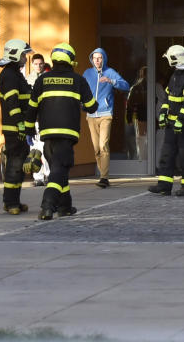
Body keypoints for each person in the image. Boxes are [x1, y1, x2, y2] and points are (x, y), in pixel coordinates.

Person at [27, 43, 97, 220]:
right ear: (70, 60)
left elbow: (31, 107)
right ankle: (47, 205)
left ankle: (65, 206)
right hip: (67, 134)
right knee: (58, 170)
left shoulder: (42, 80)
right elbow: (91, 106)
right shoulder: (78, 80)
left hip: (47, 135)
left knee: (60, 169)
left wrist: (28, 128)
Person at [148, 45, 184, 197]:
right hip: (172, 124)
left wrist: (181, 119)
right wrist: (163, 112)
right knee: (167, 155)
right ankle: (164, 185)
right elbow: (167, 97)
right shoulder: (175, 75)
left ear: (175, 58)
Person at [0, 39, 33, 215]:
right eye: (24, 54)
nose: (26, 58)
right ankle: (10, 203)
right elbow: (12, 103)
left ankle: (14, 200)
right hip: (14, 128)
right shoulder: (9, 76)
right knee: (14, 165)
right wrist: (20, 125)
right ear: (15, 54)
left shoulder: (15, 74)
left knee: (18, 165)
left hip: (20, 127)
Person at [83, 47, 130, 188]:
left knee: (103, 145)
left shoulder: (110, 72)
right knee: (97, 148)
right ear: (92, 59)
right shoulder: (87, 73)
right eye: (95, 58)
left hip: (106, 114)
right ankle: (102, 174)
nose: (97, 60)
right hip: (91, 115)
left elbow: (126, 86)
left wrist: (112, 81)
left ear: (104, 59)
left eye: (100, 58)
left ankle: (104, 177)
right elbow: (81, 90)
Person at [25, 52, 50, 186]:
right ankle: (37, 177)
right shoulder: (28, 79)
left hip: (45, 118)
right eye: (36, 64)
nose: (38, 66)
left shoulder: (47, 78)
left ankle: (48, 175)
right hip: (33, 119)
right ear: (32, 65)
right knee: (34, 149)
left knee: (45, 148)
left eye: (41, 64)